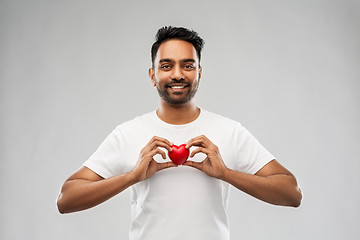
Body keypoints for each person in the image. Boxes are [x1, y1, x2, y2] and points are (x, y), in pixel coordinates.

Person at [57, 26, 302, 240]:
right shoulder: (128, 133)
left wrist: (225, 173)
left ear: (199, 73)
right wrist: (131, 177)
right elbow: (66, 199)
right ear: (153, 75)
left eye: (188, 65)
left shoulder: (229, 131)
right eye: (166, 65)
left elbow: (292, 193)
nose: (177, 74)